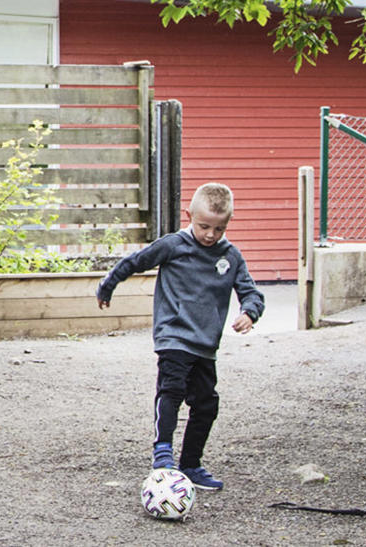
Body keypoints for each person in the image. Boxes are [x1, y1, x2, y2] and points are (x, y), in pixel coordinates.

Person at [96, 182, 264, 490]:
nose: (211, 235)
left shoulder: (231, 256)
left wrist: (249, 313)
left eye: (219, 228)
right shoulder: (173, 245)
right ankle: (162, 452)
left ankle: (191, 464)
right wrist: (108, 285)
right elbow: (136, 261)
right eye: (204, 226)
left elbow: (250, 292)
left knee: (206, 404)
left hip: (205, 344)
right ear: (189, 215)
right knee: (171, 391)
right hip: (173, 335)